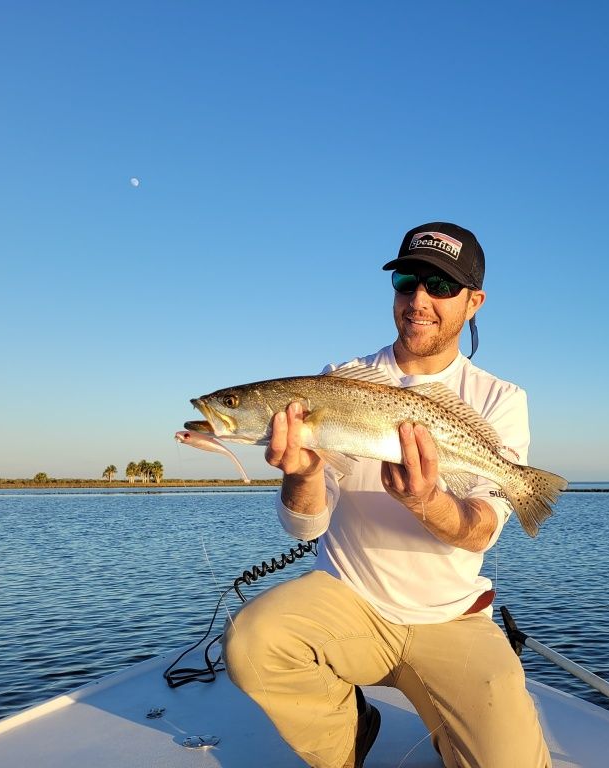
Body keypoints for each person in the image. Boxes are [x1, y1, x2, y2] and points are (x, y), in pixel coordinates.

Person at [223, 222, 551, 768]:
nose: (419, 299)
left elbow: (482, 529)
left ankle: (456, 733)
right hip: (351, 600)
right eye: (407, 280)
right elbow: (306, 527)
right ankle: (349, 734)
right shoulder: (337, 383)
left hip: (453, 617)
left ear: (474, 302)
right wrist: (301, 473)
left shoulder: (500, 398)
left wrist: (428, 503)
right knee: (252, 644)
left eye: (441, 286)